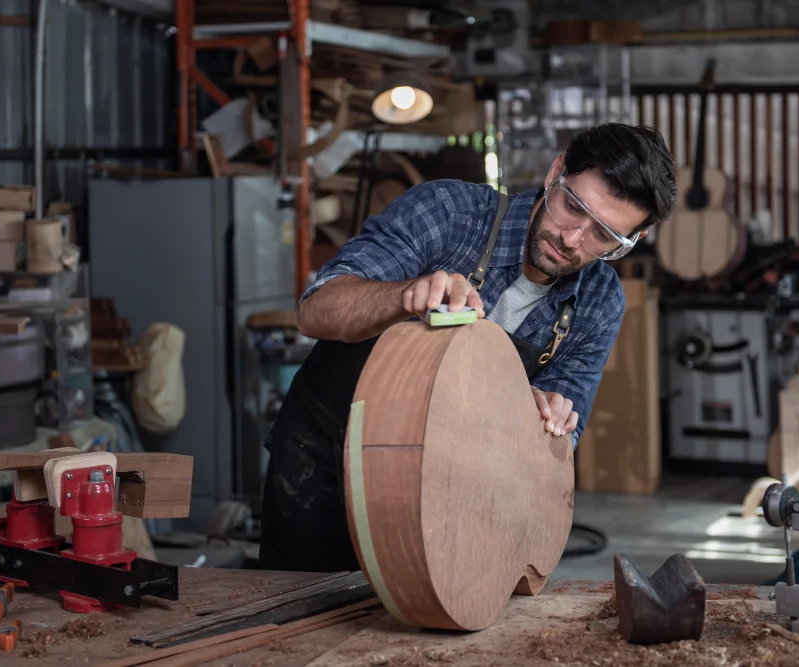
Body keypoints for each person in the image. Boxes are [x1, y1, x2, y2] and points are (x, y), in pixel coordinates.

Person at [259, 122, 676, 572]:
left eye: (605, 237)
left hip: (447, 492)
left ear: (633, 241)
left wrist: (538, 419)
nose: (572, 240)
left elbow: (557, 443)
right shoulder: (450, 212)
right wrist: (403, 295)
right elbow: (317, 310)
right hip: (324, 464)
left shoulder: (600, 300)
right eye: (572, 207)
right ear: (556, 172)